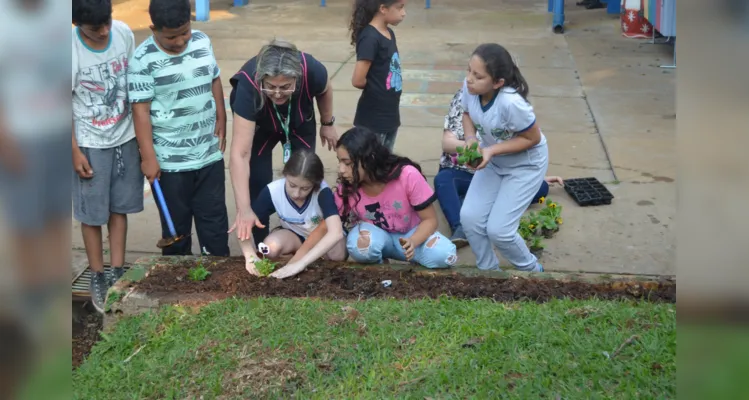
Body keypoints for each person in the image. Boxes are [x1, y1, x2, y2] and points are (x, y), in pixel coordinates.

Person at [128, 0, 229, 257]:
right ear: (153, 29)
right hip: (170, 163)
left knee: (215, 224)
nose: (181, 41)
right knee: (176, 233)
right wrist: (149, 158)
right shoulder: (142, 60)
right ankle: (176, 289)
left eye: (185, 32)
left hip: (208, 154)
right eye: (171, 37)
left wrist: (221, 116)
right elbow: (140, 111)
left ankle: (218, 284)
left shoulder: (202, 40)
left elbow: (214, 77)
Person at [228, 39, 338, 246]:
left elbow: (325, 89)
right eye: (270, 86)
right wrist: (244, 210)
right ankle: (263, 244)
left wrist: (327, 122)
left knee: (304, 178)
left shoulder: (312, 69)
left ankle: (304, 235)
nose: (277, 93)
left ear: (297, 77)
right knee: (257, 185)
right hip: (260, 127)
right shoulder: (248, 85)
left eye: (285, 86)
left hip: (298, 123)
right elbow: (240, 154)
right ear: (261, 79)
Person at [72, 0, 142, 312]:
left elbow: (135, 85)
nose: (104, 31)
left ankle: (117, 269)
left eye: (107, 22)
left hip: (124, 138)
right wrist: (73, 151)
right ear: (76, 24)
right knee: (92, 213)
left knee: (119, 208)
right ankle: (98, 274)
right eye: (94, 28)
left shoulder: (124, 34)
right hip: (89, 142)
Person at [459, 43, 549, 273]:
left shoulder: (511, 103)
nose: (469, 79)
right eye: (469, 70)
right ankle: (489, 274)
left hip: (525, 165)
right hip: (495, 159)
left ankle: (532, 272)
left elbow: (532, 138)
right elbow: (467, 112)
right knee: (469, 218)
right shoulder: (470, 87)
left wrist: (491, 150)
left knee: (500, 230)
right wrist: (471, 139)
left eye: (477, 76)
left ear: (498, 82)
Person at [435, 88, 563, 249]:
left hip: (499, 171)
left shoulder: (513, 103)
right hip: (462, 172)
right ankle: (461, 228)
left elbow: (527, 143)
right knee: (444, 180)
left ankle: (474, 205)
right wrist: (478, 148)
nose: (470, 79)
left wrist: (535, 176)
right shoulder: (465, 96)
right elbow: (447, 143)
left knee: (541, 188)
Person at [335, 127, 458, 269]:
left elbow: (430, 220)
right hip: (376, 237)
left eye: (347, 163)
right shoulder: (348, 186)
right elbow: (330, 223)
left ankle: (415, 261)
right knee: (360, 247)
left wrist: (413, 241)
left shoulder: (407, 175)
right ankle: (380, 267)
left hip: (412, 235)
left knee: (445, 255)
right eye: (339, 162)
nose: (341, 170)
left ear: (369, 159)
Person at [239, 150, 347, 279]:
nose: (296, 194)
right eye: (292, 185)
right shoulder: (273, 191)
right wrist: (250, 255)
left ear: (316, 183)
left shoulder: (323, 192)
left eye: (305, 188)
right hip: (295, 237)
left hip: (321, 239)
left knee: (337, 255)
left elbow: (336, 233)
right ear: (285, 175)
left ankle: (306, 259)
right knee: (270, 248)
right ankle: (297, 257)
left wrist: (300, 263)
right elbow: (243, 222)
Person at [349, 0, 405, 152]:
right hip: (373, 119)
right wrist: (377, 87)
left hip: (390, 115)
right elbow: (358, 79)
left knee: (384, 164)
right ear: (383, 9)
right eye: (400, 8)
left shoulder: (389, 33)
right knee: (371, 166)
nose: (403, 13)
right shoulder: (370, 38)